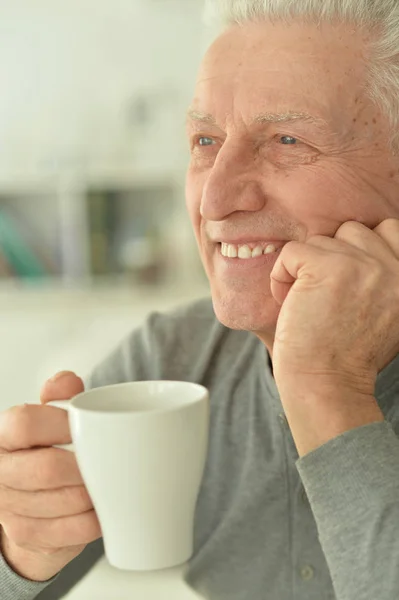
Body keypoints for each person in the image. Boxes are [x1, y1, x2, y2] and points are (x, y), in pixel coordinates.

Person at [1, 1, 399, 598]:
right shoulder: (171, 361)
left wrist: (324, 387)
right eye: (205, 139)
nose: (214, 200)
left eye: (287, 138)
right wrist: (23, 549)